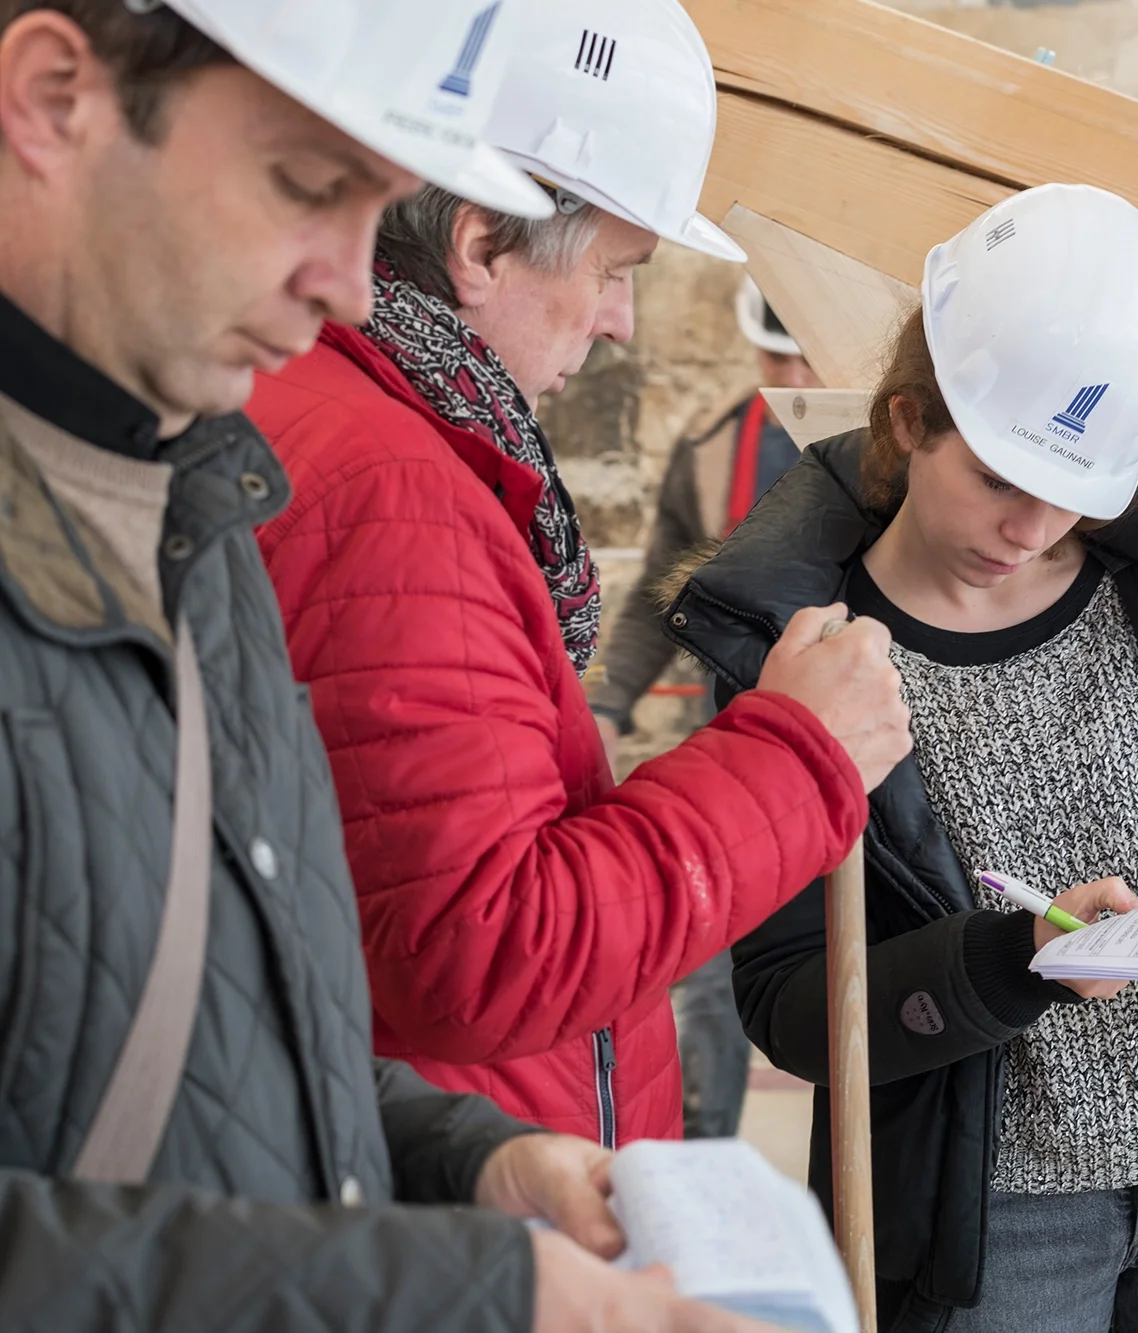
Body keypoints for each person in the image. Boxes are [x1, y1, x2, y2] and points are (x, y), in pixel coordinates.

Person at [0, 1, 776, 1328]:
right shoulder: (275, 477)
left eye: (377, 206)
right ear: (56, 95)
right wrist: (452, 1286)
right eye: (304, 184)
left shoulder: (200, 492)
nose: (355, 288)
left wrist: (458, 1159)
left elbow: (237, 1017)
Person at [661, 184, 1138, 1332]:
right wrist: (1013, 959)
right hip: (993, 1211)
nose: (1031, 526)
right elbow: (790, 1007)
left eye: (1071, 493)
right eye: (1001, 478)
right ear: (911, 420)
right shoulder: (801, 648)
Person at [245, 0, 909, 1150]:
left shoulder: (334, 413)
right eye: (614, 268)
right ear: (482, 243)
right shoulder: (397, 492)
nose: (621, 324)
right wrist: (800, 755)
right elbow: (489, 950)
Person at [591, 278, 820, 1139]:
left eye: (805, 353)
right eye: (776, 353)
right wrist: (609, 702)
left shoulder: (891, 450)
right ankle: (710, 1167)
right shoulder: (712, 449)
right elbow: (662, 595)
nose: (793, 370)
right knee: (713, 974)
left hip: (869, 758)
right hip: (738, 752)